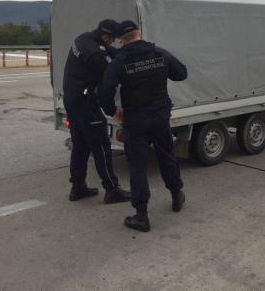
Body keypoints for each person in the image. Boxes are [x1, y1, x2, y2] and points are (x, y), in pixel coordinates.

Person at [99, 20, 187, 232]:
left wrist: (114, 112)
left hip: (135, 120)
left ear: (121, 40)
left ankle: (142, 215)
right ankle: (176, 195)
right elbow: (181, 73)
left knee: (138, 166)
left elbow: (104, 93)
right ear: (139, 33)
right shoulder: (159, 53)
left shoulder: (120, 61)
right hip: (160, 116)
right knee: (167, 156)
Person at [63, 19, 130, 204]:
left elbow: (110, 52)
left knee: (80, 145)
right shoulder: (95, 55)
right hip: (85, 104)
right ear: (106, 36)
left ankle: (78, 187)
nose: (113, 42)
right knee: (101, 146)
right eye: (113, 39)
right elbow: (111, 74)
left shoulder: (84, 38)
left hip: (72, 101)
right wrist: (112, 110)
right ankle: (112, 190)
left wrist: (128, 51)